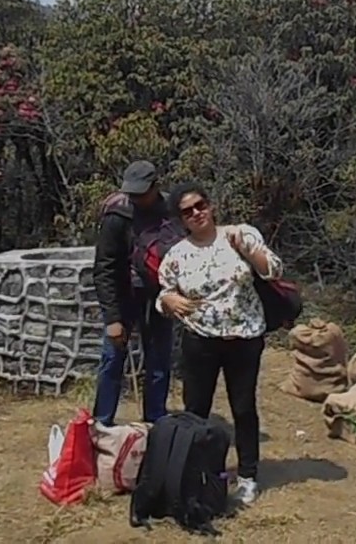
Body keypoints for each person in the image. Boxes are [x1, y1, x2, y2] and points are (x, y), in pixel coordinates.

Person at [156, 183, 283, 506]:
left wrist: (249, 250)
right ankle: (198, 474)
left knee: (243, 409)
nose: (197, 213)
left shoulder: (240, 234)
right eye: (188, 211)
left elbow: (273, 270)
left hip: (244, 338)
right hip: (200, 340)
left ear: (211, 206)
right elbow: (163, 294)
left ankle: (248, 476)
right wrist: (168, 299)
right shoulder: (177, 255)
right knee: (196, 412)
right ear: (181, 219)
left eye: (201, 205)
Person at [91, 160, 175, 426]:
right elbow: (104, 267)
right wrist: (112, 319)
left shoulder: (171, 210)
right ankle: (102, 425)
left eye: (142, 192)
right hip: (124, 295)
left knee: (159, 362)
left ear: (155, 186)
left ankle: (156, 424)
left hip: (160, 296)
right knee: (112, 360)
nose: (136, 198)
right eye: (132, 193)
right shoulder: (117, 215)